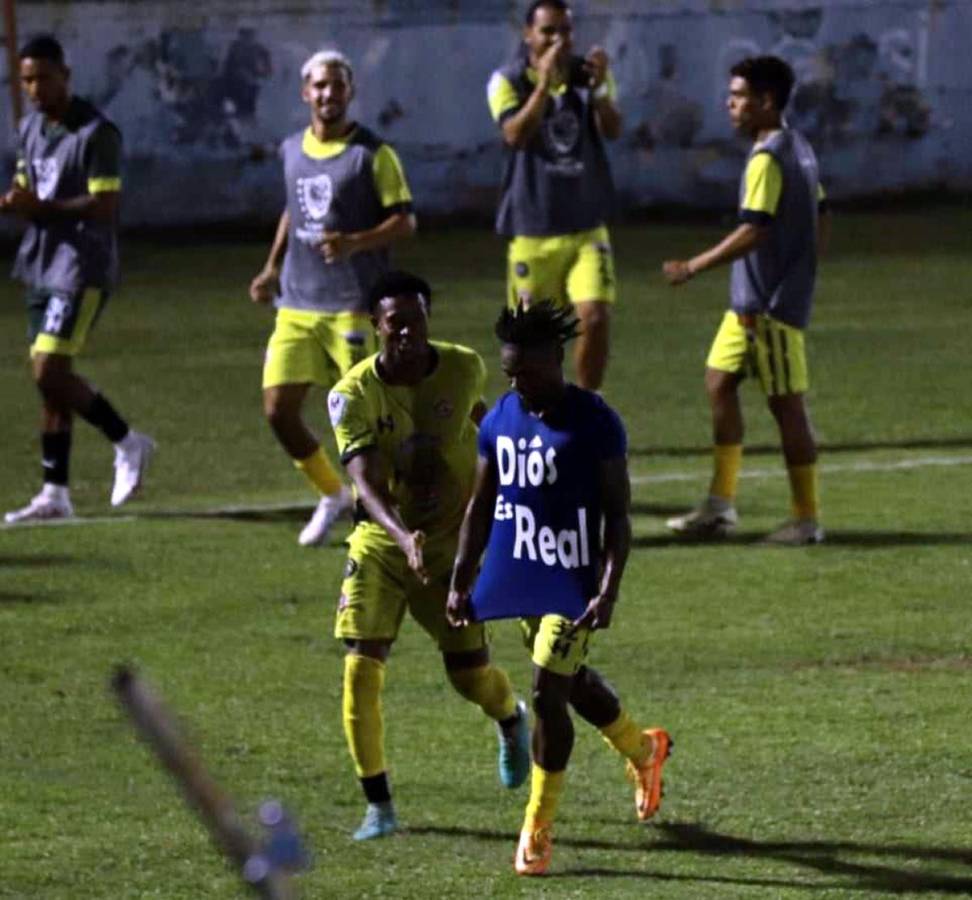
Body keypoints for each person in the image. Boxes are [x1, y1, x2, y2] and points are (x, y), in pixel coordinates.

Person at [447, 301, 672, 876]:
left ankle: (536, 829)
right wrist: (461, 579)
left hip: (573, 584)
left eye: (526, 371)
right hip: (523, 580)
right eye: (509, 373)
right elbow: (481, 505)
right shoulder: (500, 419)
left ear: (556, 358)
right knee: (569, 688)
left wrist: (609, 588)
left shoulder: (596, 422)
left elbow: (618, 516)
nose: (517, 383)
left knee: (547, 692)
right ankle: (645, 751)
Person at [326, 270, 531, 841]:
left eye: (417, 323)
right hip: (382, 542)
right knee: (361, 667)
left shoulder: (462, 366)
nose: (408, 335)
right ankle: (379, 806)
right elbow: (364, 481)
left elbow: (483, 423)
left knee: (469, 676)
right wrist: (401, 536)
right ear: (375, 327)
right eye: (396, 325)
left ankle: (511, 719)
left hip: (454, 545)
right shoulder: (351, 395)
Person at [249, 50, 415, 547]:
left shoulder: (373, 154)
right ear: (306, 93)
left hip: (351, 302)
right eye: (319, 86)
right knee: (278, 409)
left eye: (337, 85)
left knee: (366, 417)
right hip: (297, 303)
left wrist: (354, 243)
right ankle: (332, 493)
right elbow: (293, 210)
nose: (328, 94)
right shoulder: (290, 150)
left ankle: (396, 510)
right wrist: (271, 265)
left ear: (350, 91)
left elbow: (405, 222)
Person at [662, 55, 830, 546]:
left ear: (765, 101)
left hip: (767, 308)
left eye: (738, 97)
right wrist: (805, 262)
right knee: (719, 383)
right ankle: (720, 504)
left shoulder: (767, 159)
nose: (730, 104)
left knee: (787, 407)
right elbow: (820, 210)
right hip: (751, 304)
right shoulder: (798, 147)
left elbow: (754, 230)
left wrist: (693, 266)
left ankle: (805, 518)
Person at [2, 35, 154, 524]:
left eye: (43, 77)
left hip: (81, 266)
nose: (34, 87)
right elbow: (31, 183)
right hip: (41, 262)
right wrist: (18, 200)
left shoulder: (96, 133)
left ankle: (128, 442)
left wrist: (38, 208)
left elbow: (104, 205)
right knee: (51, 383)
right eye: (26, 79)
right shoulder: (28, 129)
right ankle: (55, 493)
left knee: (49, 369)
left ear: (65, 75)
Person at [487, 0, 622, 391]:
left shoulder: (587, 76)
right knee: (530, 341)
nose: (558, 40)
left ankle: (587, 404)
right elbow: (514, 134)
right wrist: (544, 85)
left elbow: (612, 129)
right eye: (548, 31)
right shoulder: (507, 80)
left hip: (586, 226)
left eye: (565, 30)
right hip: (532, 229)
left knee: (595, 317)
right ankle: (536, 412)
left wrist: (599, 91)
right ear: (528, 34)